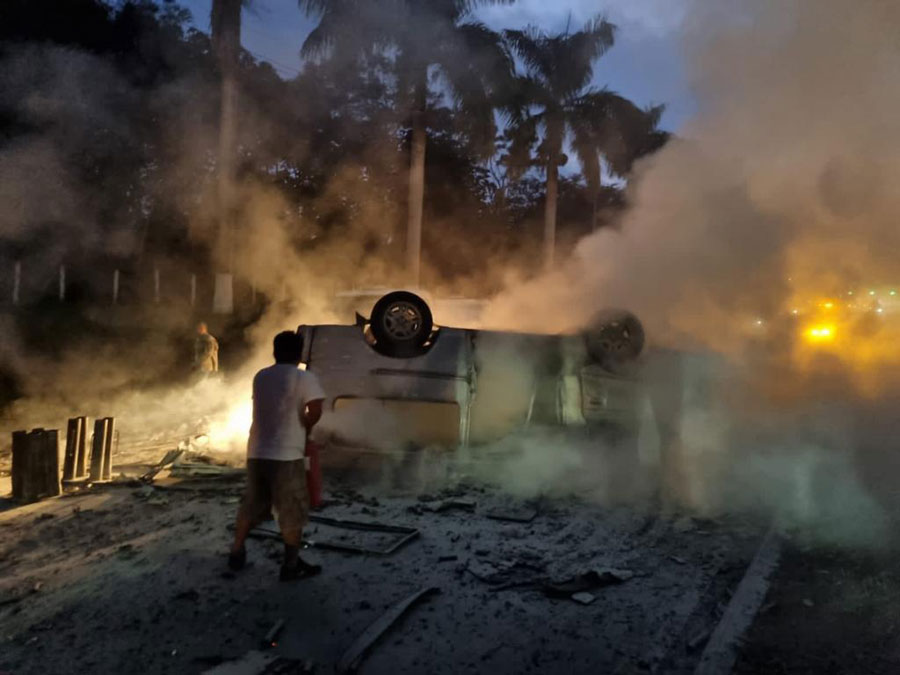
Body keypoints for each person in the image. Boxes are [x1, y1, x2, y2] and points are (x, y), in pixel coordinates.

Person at [228, 330, 325, 581]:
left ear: (274, 352)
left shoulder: (261, 376)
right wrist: (305, 425)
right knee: (291, 510)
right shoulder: (304, 378)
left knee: (252, 503)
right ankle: (290, 567)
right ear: (299, 354)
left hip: (257, 451)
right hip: (286, 454)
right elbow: (315, 411)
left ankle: (237, 550)